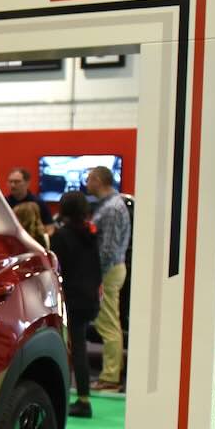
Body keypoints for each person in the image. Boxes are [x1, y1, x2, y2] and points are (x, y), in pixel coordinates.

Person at [51, 191, 101, 418]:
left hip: (71, 298)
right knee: (78, 348)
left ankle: (79, 400)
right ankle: (83, 397)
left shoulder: (61, 236)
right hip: (88, 296)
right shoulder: (91, 234)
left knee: (72, 349)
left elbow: (58, 269)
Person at [86, 165, 131, 391]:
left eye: (89, 179)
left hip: (109, 270)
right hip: (112, 269)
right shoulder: (111, 205)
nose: (86, 183)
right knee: (110, 321)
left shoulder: (112, 209)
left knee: (108, 323)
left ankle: (110, 377)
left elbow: (108, 249)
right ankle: (111, 374)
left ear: (98, 180)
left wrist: (98, 276)